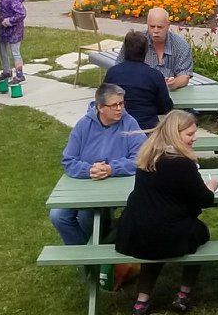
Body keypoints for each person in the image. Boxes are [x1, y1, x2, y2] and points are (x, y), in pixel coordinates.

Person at [115, 110, 215, 315]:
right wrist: (211, 186)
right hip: (165, 233)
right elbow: (204, 199)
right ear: (174, 134)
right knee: (200, 233)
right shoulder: (181, 163)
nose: (194, 138)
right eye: (189, 134)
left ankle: (141, 302)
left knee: (157, 241)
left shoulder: (148, 156)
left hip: (134, 232)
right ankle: (183, 294)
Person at [51, 83, 147, 247]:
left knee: (86, 215)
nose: (119, 109)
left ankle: (96, 253)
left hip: (115, 185)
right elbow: (68, 160)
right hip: (85, 182)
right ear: (100, 107)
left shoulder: (130, 123)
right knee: (58, 216)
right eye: (114, 105)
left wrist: (111, 169)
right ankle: (85, 256)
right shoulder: (84, 125)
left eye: (121, 104)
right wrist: (89, 170)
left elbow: (141, 158)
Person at [103, 31, 173, 131]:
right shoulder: (155, 76)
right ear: (146, 51)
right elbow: (165, 107)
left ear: (125, 50)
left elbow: (103, 100)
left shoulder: (113, 73)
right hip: (147, 130)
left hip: (118, 128)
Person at [143, 6, 194, 87]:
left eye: (160, 27)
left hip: (169, 93)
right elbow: (121, 65)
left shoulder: (181, 45)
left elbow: (185, 75)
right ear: (147, 25)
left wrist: (174, 83)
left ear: (168, 25)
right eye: (152, 27)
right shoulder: (136, 41)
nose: (155, 31)